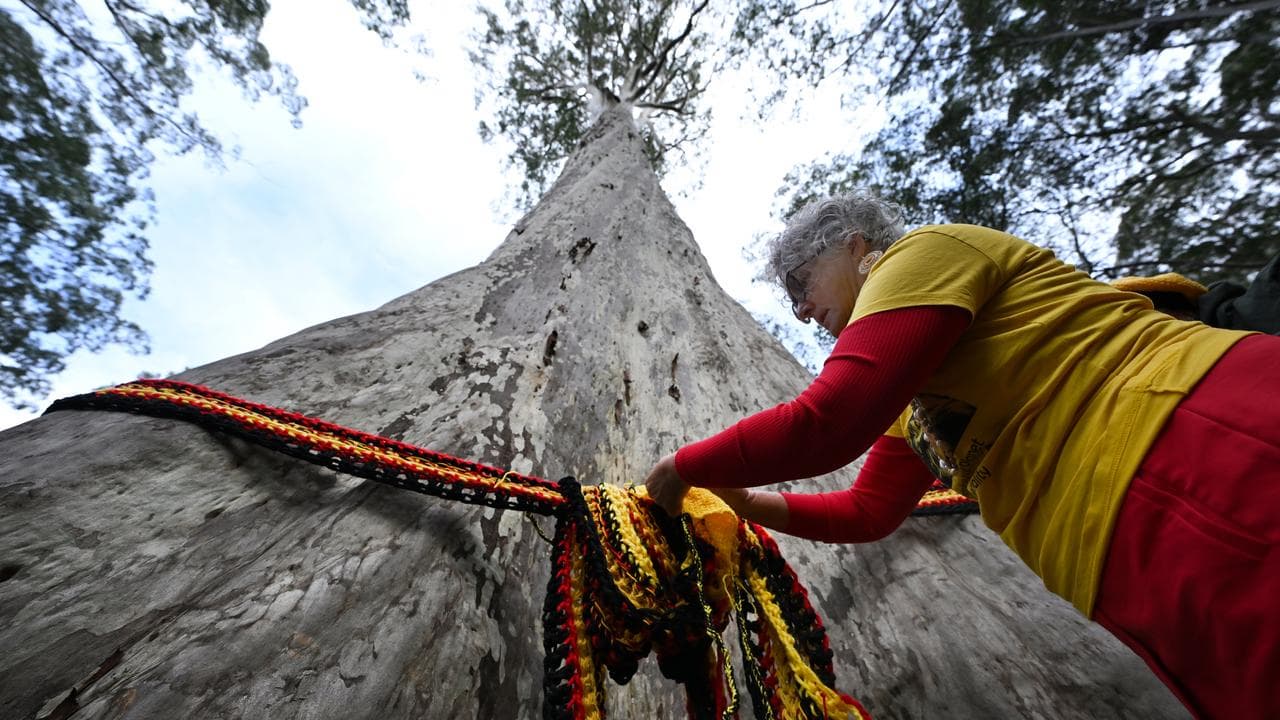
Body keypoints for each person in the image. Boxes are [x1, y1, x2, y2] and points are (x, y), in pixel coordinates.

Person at [644, 192, 1280, 720]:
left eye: (801, 285)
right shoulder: (918, 403)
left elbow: (829, 420)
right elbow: (869, 511)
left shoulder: (923, 254)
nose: (803, 312)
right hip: (1119, 568)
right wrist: (747, 501)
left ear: (855, 244)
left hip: (1185, 442)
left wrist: (682, 467)